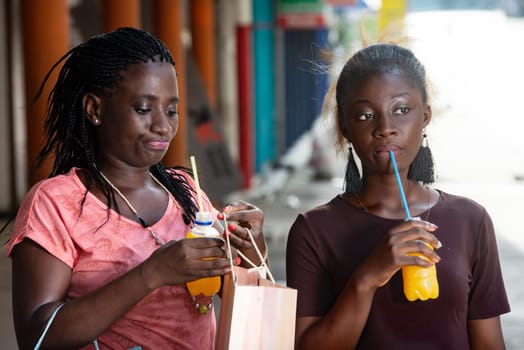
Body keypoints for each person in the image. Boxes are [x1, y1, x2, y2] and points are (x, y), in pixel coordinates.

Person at [7, 27, 267, 350]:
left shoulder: (186, 194)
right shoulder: (55, 204)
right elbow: (37, 337)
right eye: (144, 109)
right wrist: (151, 274)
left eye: (171, 110)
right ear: (95, 109)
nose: (163, 126)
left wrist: (250, 253)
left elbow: (236, 301)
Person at [286, 43, 510, 349]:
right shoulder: (313, 231)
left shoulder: (471, 220)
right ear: (344, 126)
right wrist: (368, 277)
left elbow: (488, 343)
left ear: (426, 116)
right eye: (365, 115)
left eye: (402, 110)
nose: (386, 128)